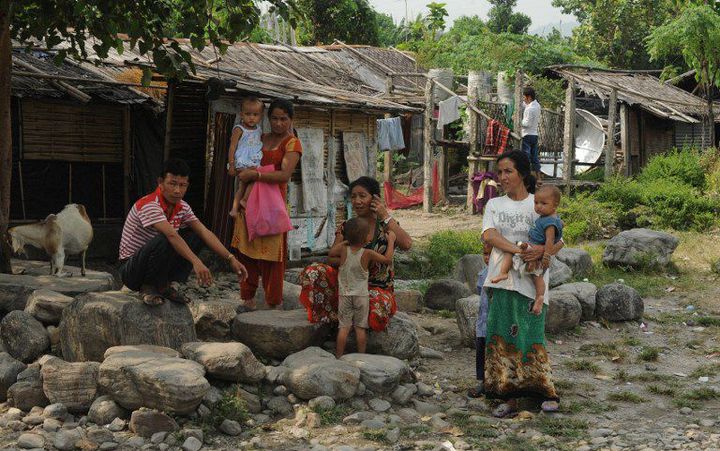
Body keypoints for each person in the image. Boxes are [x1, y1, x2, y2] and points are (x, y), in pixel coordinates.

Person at [481, 150, 561, 417]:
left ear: (522, 174)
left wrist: (542, 252)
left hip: (531, 281)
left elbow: (559, 238)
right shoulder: (494, 205)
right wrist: (517, 251)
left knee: (531, 335)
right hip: (501, 279)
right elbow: (490, 235)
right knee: (502, 335)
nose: (502, 177)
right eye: (499, 172)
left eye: (508, 171)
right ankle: (508, 396)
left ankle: (545, 393)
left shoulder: (538, 204)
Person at [119, 159, 248, 305]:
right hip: (131, 270)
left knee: (196, 237)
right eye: (172, 183)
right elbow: (171, 236)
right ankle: (148, 287)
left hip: (156, 266)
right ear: (160, 182)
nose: (177, 190)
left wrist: (231, 258)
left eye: (182, 185)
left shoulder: (183, 207)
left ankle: (167, 285)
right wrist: (196, 262)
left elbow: (204, 231)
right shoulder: (149, 204)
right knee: (167, 237)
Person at [299, 176, 412, 332]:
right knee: (313, 272)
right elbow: (331, 257)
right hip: (347, 287)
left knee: (374, 307)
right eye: (353, 196)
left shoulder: (386, 225)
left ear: (375, 199)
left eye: (362, 196)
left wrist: (384, 215)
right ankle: (331, 317)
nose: (357, 201)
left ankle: (349, 318)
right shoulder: (348, 226)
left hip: (375, 289)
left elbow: (407, 244)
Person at [231, 99, 302, 310]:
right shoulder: (260, 137)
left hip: (273, 206)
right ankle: (248, 299)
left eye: (283, 119)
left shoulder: (292, 143)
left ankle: (273, 303)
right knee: (246, 252)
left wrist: (255, 174)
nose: (279, 123)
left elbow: (284, 175)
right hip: (250, 201)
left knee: (273, 258)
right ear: (267, 118)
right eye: (274, 118)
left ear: (291, 120)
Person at [491, 184, 563, 310]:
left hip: (536, 249)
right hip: (533, 247)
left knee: (510, 251)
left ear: (555, 205)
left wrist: (546, 256)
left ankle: (503, 273)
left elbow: (550, 241)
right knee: (536, 276)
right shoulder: (550, 218)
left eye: (543, 203)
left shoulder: (549, 223)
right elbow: (560, 225)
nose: (538, 206)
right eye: (536, 202)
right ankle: (539, 296)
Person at [332, 217, 396, 358]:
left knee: (343, 328)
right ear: (366, 237)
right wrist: (391, 240)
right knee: (360, 329)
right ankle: (362, 357)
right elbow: (387, 259)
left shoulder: (343, 250)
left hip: (345, 295)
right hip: (361, 296)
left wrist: (344, 239)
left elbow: (331, 254)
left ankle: (338, 356)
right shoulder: (367, 253)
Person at [228, 97, 264, 217]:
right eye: (248, 114)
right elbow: (232, 147)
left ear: (260, 116)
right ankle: (243, 201)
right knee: (250, 181)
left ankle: (235, 209)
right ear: (241, 114)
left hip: (254, 161)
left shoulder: (259, 129)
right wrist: (231, 165)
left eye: (255, 114)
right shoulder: (239, 129)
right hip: (243, 162)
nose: (252, 117)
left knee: (245, 185)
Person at [468, 241, 492, 398]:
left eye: (491, 254)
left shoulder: (502, 273)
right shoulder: (483, 273)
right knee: (482, 353)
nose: (488, 258)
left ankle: (494, 383)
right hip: (483, 322)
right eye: (485, 254)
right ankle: (483, 382)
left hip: (494, 322)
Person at [521, 86, 542, 178]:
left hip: (527, 135)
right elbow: (525, 105)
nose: (523, 99)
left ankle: (527, 175)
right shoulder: (537, 105)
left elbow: (527, 124)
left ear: (529, 97)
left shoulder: (530, 109)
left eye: (524, 97)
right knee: (534, 157)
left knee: (526, 157)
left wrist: (517, 121)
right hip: (534, 134)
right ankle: (538, 176)